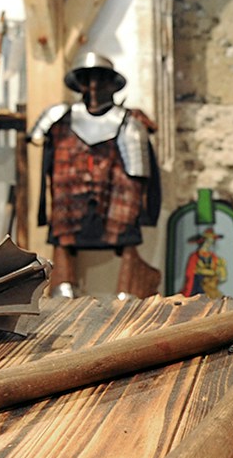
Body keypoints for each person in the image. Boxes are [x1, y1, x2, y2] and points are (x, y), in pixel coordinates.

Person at [30, 53, 161, 297]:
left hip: (116, 206)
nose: (93, 86)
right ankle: (63, 285)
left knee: (128, 288)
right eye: (86, 79)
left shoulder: (130, 123)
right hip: (69, 205)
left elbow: (142, 177)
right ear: (78, 83)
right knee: (62, 266)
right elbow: (41, 156)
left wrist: (148, 212)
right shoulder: (58, 118)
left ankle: (129, 287)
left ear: (112, 84)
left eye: (100, 79)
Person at [180, 227, 228, 298]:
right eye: (207, 241)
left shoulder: (214, 257)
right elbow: (191, 272)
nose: (209, 243)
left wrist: (219, 271)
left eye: (211, 241)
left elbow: (220, 274)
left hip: (209, 286)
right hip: (197, 285)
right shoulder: (195, 256)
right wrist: (208, 272)